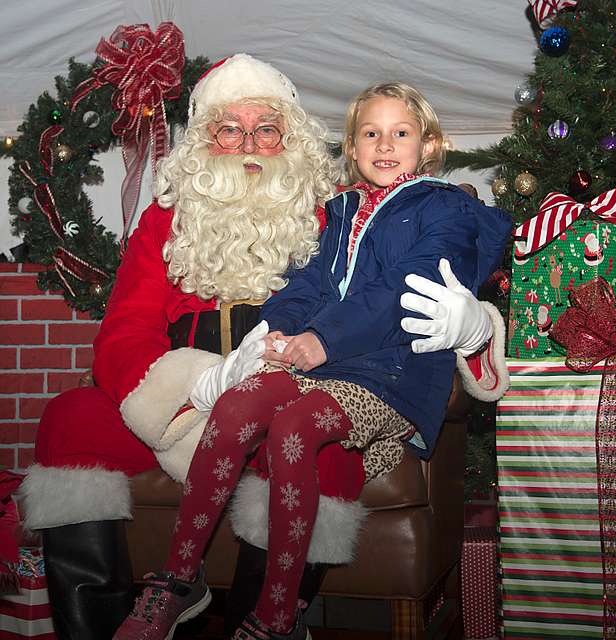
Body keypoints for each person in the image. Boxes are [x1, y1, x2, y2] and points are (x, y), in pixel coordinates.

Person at [112, 81, 512, 640]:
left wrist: (323, 339)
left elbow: (403, 288)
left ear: (430, 144)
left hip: (391, 374)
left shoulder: (447, 210)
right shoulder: (339, 210)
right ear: (351, 146)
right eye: (370, 133)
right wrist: (277, 330)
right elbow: (307, 282)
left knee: (293, 428)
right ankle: (180, 578)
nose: (385, 144)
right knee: (237, 403)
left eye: (401, 133)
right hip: (326, 364)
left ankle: (275, 616)